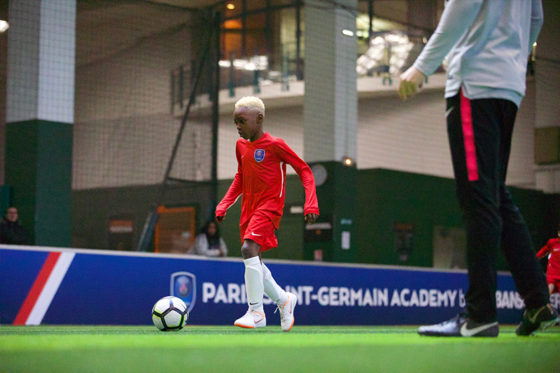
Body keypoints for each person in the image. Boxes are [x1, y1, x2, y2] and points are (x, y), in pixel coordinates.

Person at [398, 0, 557, 337]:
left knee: (478, 197)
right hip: (510, 87)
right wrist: (511, 55)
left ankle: (480, 313)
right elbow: (536, 17)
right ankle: (538, 302)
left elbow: (462, 8)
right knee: (496, 194)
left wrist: (421, 67)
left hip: (475, 84)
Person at [216, 96, 319, 332]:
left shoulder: (275, 144)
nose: (238, 127)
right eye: (235, 122)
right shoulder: (240, 146)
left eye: (242, 121)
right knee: (256, 261)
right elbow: (240, 178)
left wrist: (311, 203)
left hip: (270, 206)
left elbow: (304, 170)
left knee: (247, 249)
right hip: (248, 209)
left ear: (259, 119)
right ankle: (283, 299)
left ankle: (256, 312)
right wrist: (224, 203)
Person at [536, 225, 560, 296]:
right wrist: (533, 260)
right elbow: (542, 252)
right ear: (558, 233)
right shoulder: (552, 243)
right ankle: (542, 306)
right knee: (546, 296)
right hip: (552, 276)